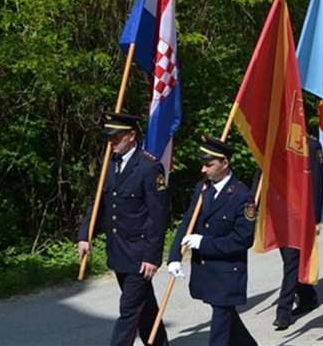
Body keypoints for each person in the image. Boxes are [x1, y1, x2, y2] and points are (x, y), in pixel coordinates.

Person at [77, 112, 169, 346]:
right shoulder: (110, 164)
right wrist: (85, 235)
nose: (111, 141)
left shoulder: (149, 167)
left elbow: (158, 217)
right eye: (109, 136)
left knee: (128, 310)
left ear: (131, 135)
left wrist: (152, 256)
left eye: (116, 136)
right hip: (118, 250)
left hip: (139, 254)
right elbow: (98, 202)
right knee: (144, 306)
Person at [167, 137, 257, 346]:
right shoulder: (203, 188)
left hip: (227, 273)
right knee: (228, 321)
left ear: (225, 163)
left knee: (219, 331)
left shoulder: (242, 196)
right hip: (207, 270)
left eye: (209, 164)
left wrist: (203, 243)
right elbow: (188, 223)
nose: (203, 170)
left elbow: (243, 240)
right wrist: (174, 257)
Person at [273, 136, 323, 330]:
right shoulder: (273, 142)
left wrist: (315, 217)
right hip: (279, 211)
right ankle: (308, 296)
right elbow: (261, 175)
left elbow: (317, 181)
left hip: (301, 213)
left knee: (292, 260)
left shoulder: (310, 145)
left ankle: (283, 312)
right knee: (289, 260)